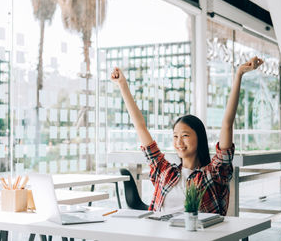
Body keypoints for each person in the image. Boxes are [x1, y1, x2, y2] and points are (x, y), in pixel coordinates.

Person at [111, 56, 264, 215]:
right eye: (175, 136)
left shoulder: (213, 174)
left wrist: (238, 74)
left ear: (199, 138)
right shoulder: (164, 171)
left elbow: (227, 124)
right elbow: (140, 126)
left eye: (185, 135)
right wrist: (122, 85)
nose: (179, 142)